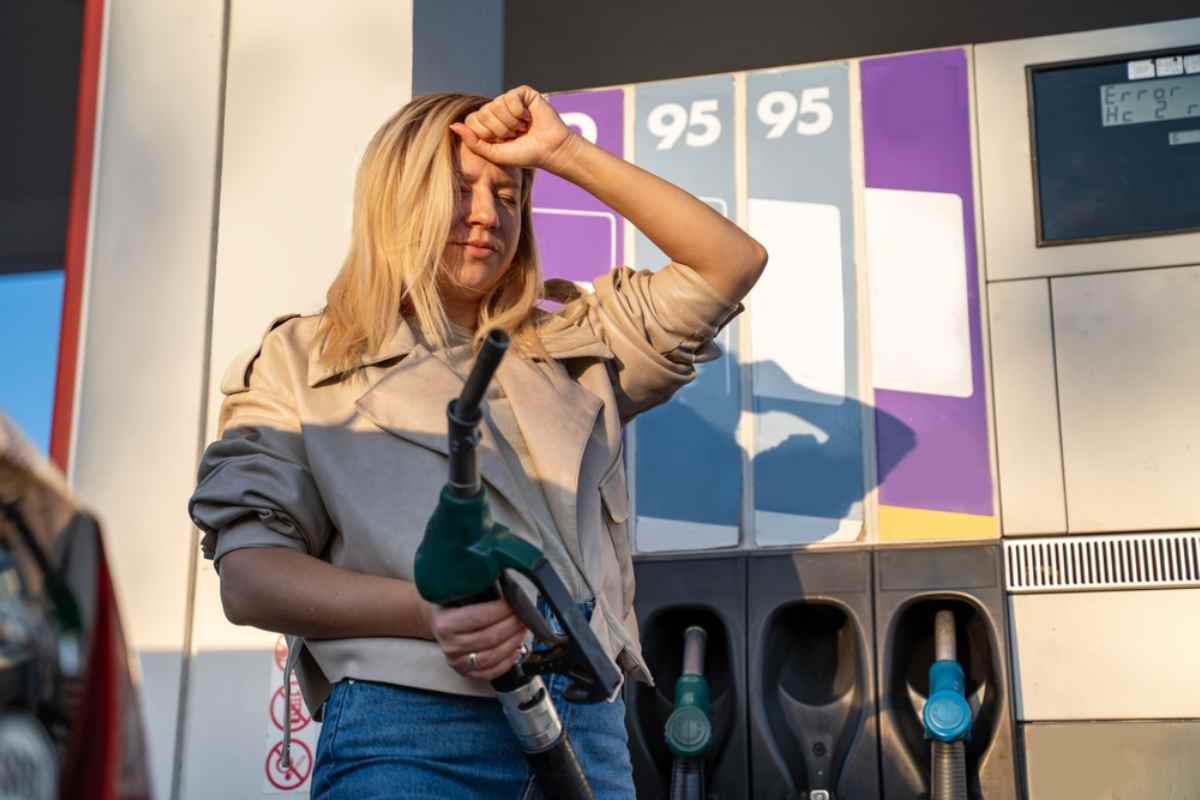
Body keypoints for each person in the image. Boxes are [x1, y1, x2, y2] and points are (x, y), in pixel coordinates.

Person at [188, 87, 766, 799]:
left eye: (510, 194)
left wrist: (562, 152)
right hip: (407, 730)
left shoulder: (576, 343)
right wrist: (428, 615)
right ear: (396, 201)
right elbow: (250, 577)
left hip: (587, 731)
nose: (488, 215)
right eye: (459, 190)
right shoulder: (301, 362)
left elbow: (728, 262)